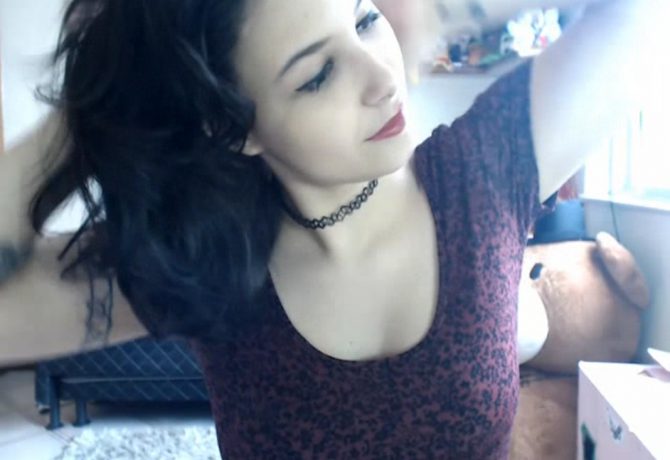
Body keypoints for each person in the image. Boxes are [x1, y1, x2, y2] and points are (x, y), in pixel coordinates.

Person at [0, 0, 661, 457]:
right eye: (317, 75)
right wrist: (84, 119)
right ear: (235, 127)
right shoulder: (206, 262)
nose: (381, 77)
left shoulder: (487, 169)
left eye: (365, 19)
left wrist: (437, 11)